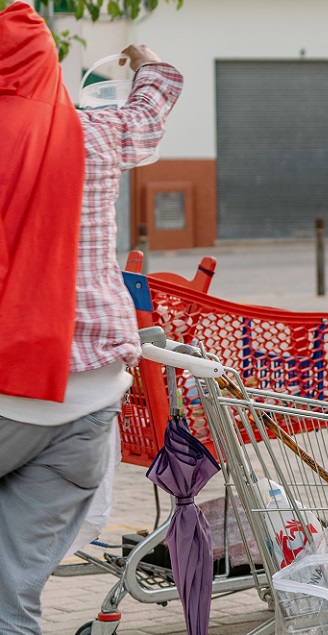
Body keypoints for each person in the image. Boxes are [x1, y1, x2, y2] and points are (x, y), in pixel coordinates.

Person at [0, 5, 183, 631]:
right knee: (12, 594)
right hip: (89, 405)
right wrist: (147, 62)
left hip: (8, 391)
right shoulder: (94, 133)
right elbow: (149, 111)